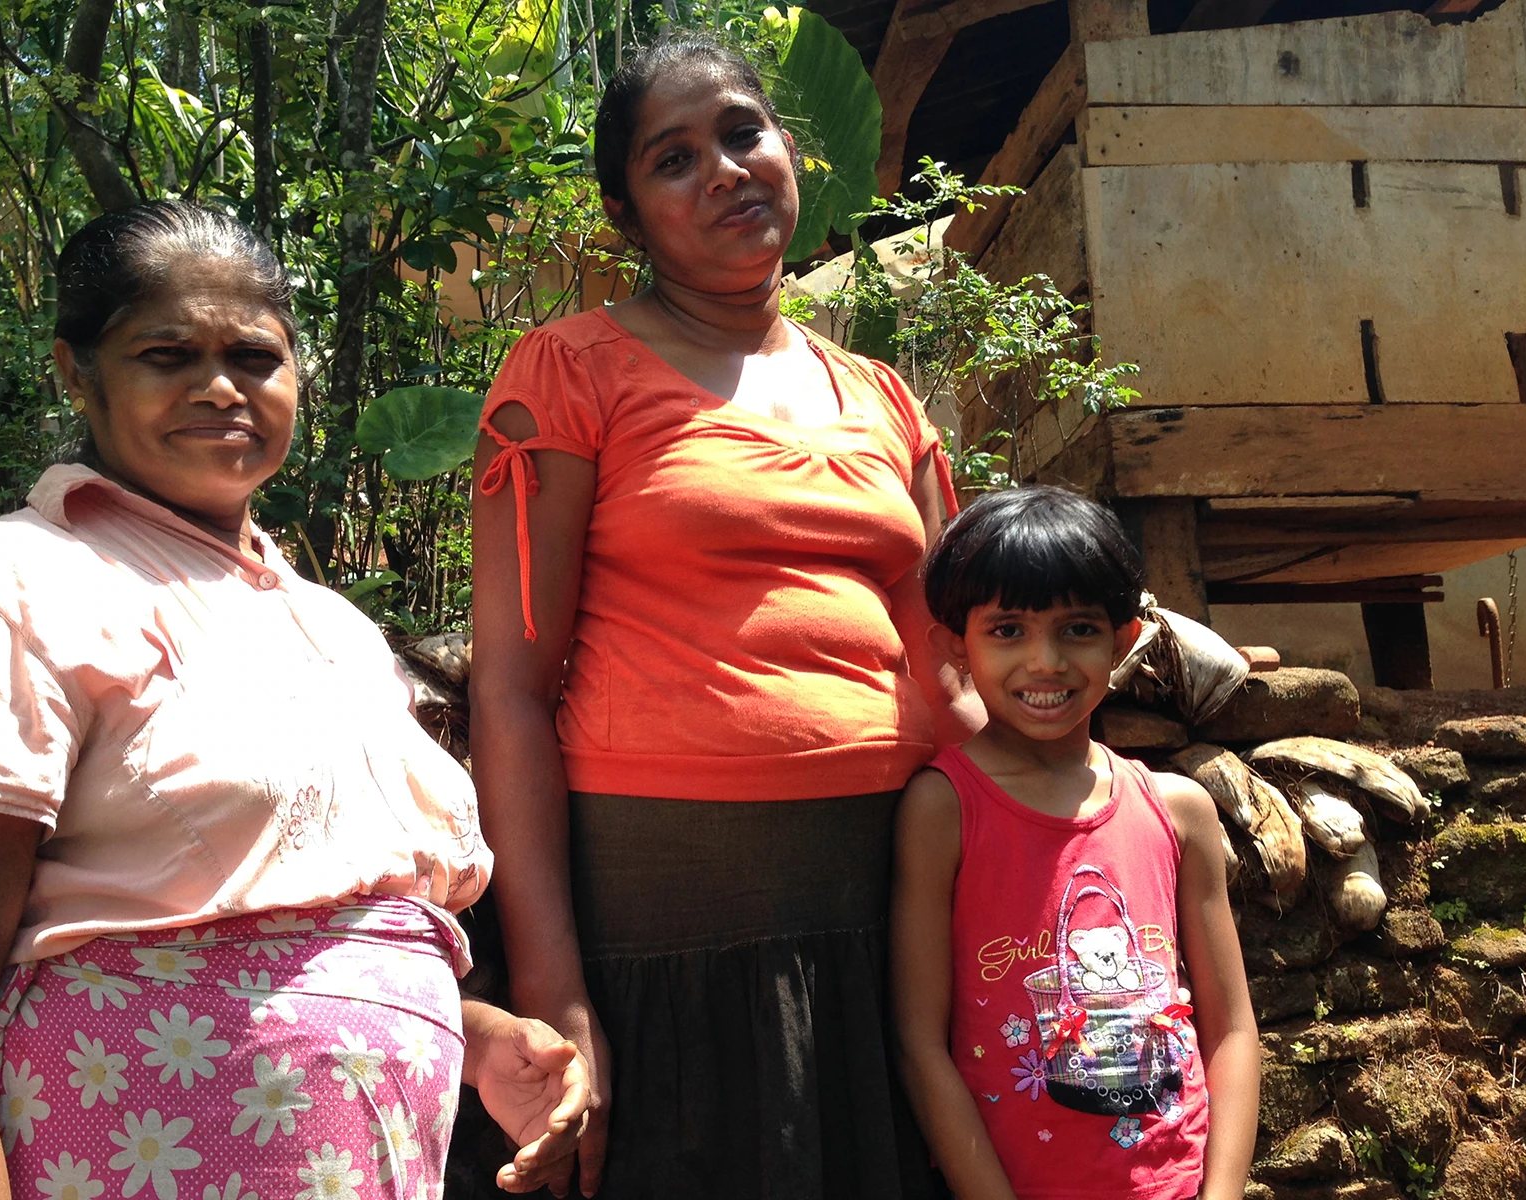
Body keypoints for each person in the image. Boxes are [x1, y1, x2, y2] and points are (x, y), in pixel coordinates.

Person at [0, 201, 588, 1200]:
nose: (220, 387)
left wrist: (483, 1036)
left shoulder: (334, 630)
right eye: (166, 353)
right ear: (77, 369)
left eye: (255, 356)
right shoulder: (6, 588)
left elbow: (343, 926)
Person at [467, 32, 979, 1200]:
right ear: (623, 215)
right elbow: (508, 687)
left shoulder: (883, 397)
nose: (726, 169)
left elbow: (952, 664)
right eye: (674, 158)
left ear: (791, 148)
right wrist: (557, 995)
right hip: (668, 926)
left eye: (744, 131)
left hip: (892, 915)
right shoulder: (571, 373)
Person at [890, 486, 1260, 1200]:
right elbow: (919, 1044)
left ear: (1123, 640)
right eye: (1008, 631)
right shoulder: (943, 809)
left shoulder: (1179, 811)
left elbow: (1232, 1031)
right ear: (953, 646)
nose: (1047, 661)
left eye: (1078, 629)